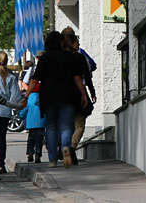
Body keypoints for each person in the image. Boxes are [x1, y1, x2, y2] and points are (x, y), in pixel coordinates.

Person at [25, 31, 88, 169]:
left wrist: (26, 95)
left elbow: (35, 80)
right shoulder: (69, 57)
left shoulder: (46, 58)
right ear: (60, 42)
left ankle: (52, 159)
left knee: (52, 127)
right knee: (67, 126)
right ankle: (65, 147)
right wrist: (83, 95)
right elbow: (77, 78)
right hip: (67, 97)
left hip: (49, 98)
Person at [0, 51, 21, 174]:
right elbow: (15, 96)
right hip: (4, 110)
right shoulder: (10, 77)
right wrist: (16, 109)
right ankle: (1, 165)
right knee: (1, 139)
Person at [65, 33, 96, 165]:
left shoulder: (59, 58)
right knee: (79, 123)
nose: (78, 45)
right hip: (77, 93)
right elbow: (86, 76)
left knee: (65, 124)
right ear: (72, 44)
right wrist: (91, 92)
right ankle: (71, 146)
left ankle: (62, 148)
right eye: (77, 43)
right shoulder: (79, 58)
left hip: (62, 94)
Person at [20, 80, 45, 163]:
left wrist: (21, 116)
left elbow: (25, 109)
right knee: (39, 139)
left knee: (31, 138)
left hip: (31, 123)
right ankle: (38, 154)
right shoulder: (43, 98)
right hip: (41, 122)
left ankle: (30, 153)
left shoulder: (30, 98)